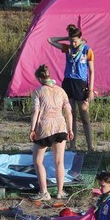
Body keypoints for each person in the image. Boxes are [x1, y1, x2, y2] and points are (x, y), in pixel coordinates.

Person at [29, 64, 74, 201]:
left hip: (45, 127)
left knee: (37, 161)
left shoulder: (38, 91)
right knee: (59, 161)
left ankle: (44, 192)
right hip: (60, 127)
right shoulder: (61, 91)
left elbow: (36, 111)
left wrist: (32, 129)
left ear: (39, 78)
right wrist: (70, 128)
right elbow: (68, 111)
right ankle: (60, 191)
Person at [48, 24, 95, 152]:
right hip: (68, 82)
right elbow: (50, 40)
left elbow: (91, 71)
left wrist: (90, 90)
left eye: (75, 41)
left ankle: (90, 146)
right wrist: (67, 38)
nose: (73, 44)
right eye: (71, 41)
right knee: (71, 116)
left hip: (81, 84)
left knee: (84, 116)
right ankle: (72, 145)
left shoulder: (87, 50)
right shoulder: (68, 48)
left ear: (81, 39)